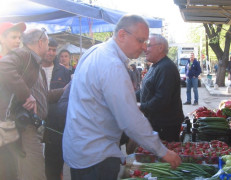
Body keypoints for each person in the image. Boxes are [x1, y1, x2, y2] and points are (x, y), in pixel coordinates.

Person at [62, 14, 181, 180]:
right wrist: (163, 151)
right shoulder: (112, 64)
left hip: (82, 149)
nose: (144, 47)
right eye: (141, 40)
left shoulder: (95, 51)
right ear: (122, 35)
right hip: (96, 155)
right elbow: (131, 120)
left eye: (147, 42)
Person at [0, 28, 64, 180]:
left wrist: (66, 90)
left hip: (31, 128)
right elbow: (3, 67)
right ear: (41, 42)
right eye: (48, 43)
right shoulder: (25, 54)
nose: (49, 48)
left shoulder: (35, 64)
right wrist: (26, 95)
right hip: (25, 128)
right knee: (33, 173)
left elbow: (43, 96)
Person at [136, 34, 184, 142]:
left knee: (163, 157)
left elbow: (162, 99)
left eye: (148, 45)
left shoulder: (166, 68)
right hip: (156, 123)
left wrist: (141, 106)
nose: (145, 49)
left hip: (165, 125)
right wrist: (128, 96)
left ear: (160, 47)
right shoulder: (156, 65)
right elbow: (146, 90)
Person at [42, 38, 71, 180]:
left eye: (54, 50)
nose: (51, 53)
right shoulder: (33, 69)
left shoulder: (64, 72)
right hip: (34, 120)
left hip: (55, 124)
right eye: (49, 49)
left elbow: (67, 97)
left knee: (53, 163)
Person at [0, 22, 26, 180]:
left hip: (16, 126)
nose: (18, 41)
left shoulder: (21, 64)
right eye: (13, 37)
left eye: (19, 37)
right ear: (2, 39)